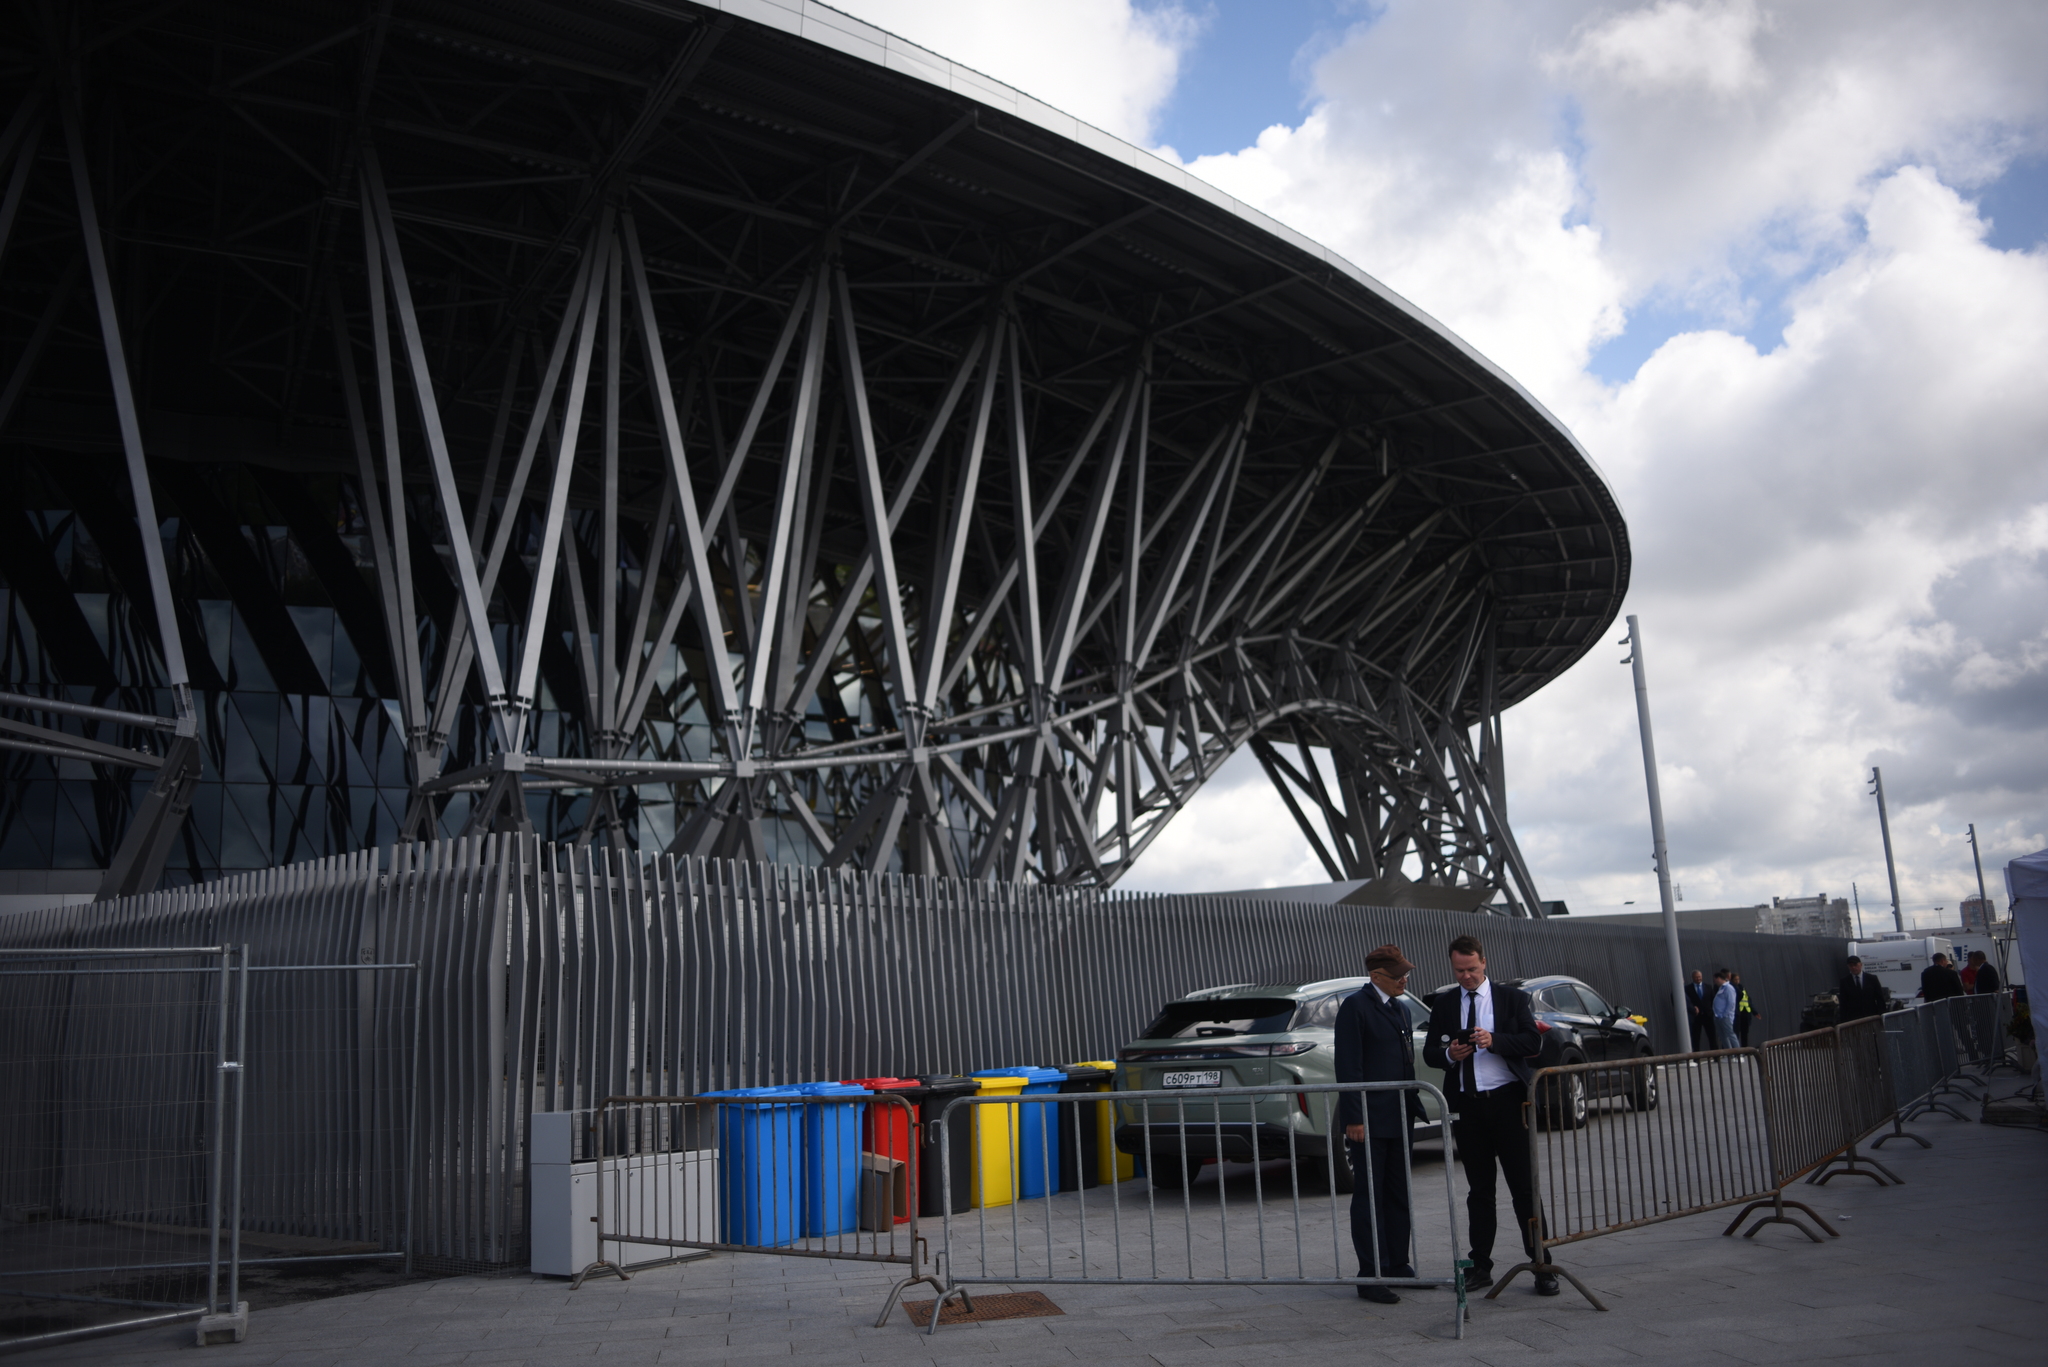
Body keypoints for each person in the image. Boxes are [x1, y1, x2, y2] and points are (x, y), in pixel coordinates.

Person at [1422, 934, 1555, 1298]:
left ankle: (1542, 1263)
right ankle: (1480, 1266)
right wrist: (1451, 1053)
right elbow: (1430, 1053)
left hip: (1509, 1104)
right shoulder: (1445, 1003)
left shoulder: (1512, 999)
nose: (1465, 976)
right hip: (1469, 1106)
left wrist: (1494, 1041)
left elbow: (1532, 1042)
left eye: (1471, 969)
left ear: (1484, 962)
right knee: (1479, 1191)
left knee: (1524, 1188)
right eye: (1458, 970)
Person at [1335, 944, 1430, 1305]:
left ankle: (1398, 1265)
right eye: (1397, 976)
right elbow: (1349, 1066)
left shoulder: (1401, 1008)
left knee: (1397, 1193)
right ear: (1376, 977)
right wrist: (1354, 1117)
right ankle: (1371, 1273)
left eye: (1406, 974)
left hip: (1399, 1115)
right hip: (1370, 1119)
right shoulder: (1356, 1008)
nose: (1404, 981)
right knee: (1369, 1197)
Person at [1837, 956, 1887, 1021]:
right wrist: (1843, 1020)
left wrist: (1881, 1015)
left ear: (1860, 965)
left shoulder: (1872, 979)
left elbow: (1880, 999)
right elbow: (1843, 1002)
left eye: (1855, 965)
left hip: (1871, 1016)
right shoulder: (1844, 981)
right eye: (1851, 966)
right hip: (1854, 1019)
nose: (1853, 968)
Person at [1710, 969, 1739, 1049]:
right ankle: (1730, 1054)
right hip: (1718, 1016)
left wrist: (1724, 1014)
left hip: (1725, 1016)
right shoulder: (1722, 988)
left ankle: (1739, 1053)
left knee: (1730, 1034)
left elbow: (1731, 1003)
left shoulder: (1728, 988)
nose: (1714, 982)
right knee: (1723, 1036)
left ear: (1719, 978)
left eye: (1715, 979)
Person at [1684, 969, 1711, 1051]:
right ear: (1692, 978)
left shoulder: (1708, 987)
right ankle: (1696, 1056)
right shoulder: (1688, 989)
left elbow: (1712, 1000)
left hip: (1708, 1015)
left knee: (1711, 1036)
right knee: (1695, 1037)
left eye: (1699, 977)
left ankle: (1715, 1055)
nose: (1698, 979)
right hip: (1696, 1017)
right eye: (1696, 977)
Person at [1731, 972, 1756, 1046]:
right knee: (1736, 1033)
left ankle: (1745, 1048)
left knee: (1745, 1032)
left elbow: (1748, 1000)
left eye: (1738, 979)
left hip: (1745, 1013)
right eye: (1735, 979)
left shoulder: (1742, 987)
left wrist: (1754, 1011)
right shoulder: (1732, 988)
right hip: (1738, 1014)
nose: (1737, 981)